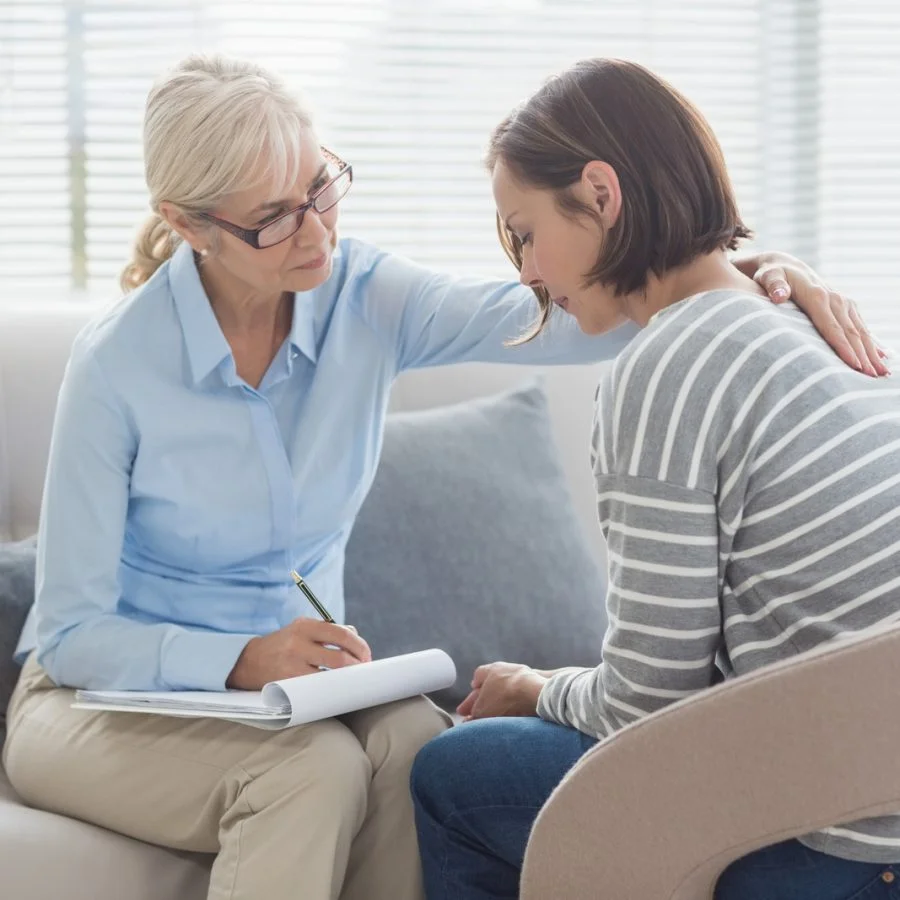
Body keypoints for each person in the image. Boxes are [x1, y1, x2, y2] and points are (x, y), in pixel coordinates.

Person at [0, 54, 883, 900]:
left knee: (421, 746)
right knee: (311, 773)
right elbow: (71, 632)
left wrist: (763, 273)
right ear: (190, 224)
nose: (317, 232)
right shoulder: (119, 364)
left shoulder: (363, 296)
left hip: (292, 697)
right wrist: (237, 658)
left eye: (321, 189)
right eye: (275, 217)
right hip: (102, 702)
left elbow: (591, 294)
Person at [410, 58, 900, 900]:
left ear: (600, 194)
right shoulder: (803, 319)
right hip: (875, 782)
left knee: (452, 775)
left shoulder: (664, 369)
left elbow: (643, 708)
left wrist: (535, 688)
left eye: (523, 232)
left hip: (837, 837)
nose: (525, 272)